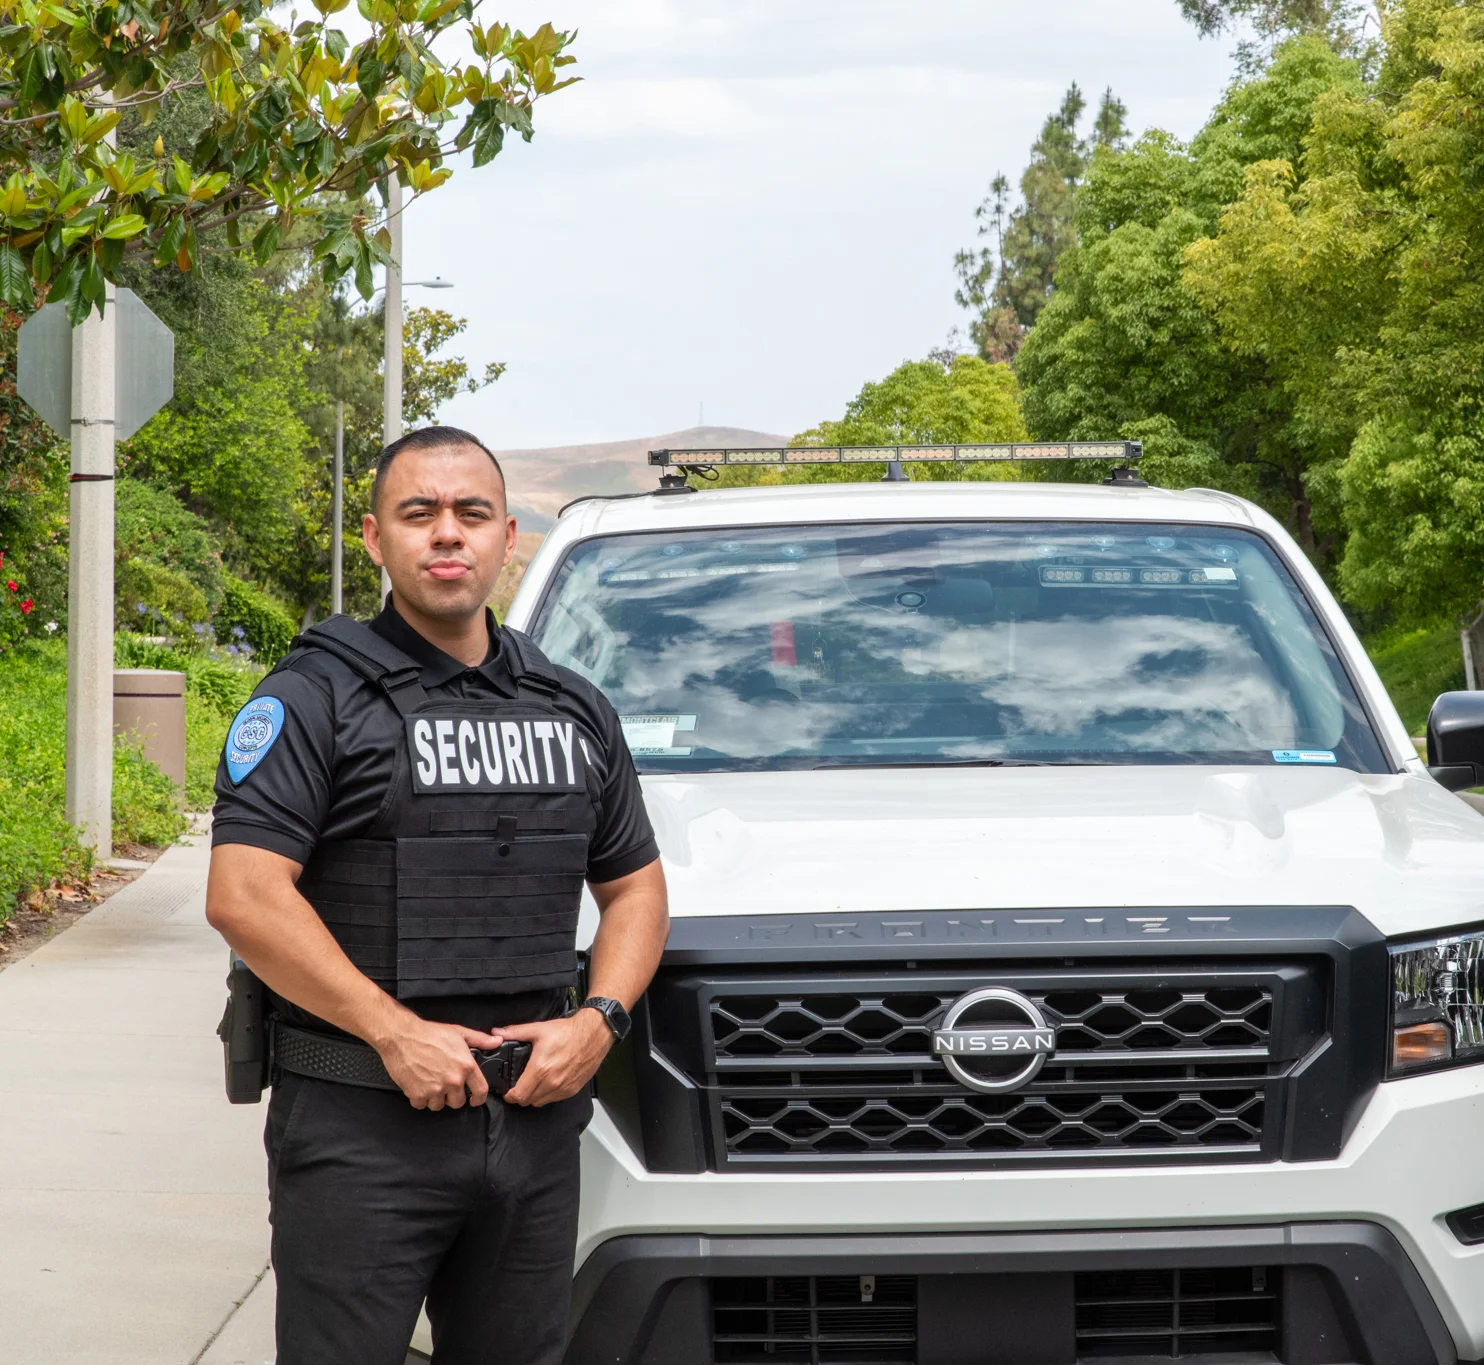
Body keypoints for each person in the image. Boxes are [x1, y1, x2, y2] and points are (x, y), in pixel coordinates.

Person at [205, 425, 669, 1365]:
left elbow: (637, 889)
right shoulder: (312, 699)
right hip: (362, 1127)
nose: (447, 533)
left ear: (507, 537)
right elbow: (245, 895)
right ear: (376, 539)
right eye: (419, 513)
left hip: (534, 1132)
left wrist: (601, 1020)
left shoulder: (573, 707)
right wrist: (394, 1030)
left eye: (471, 513)